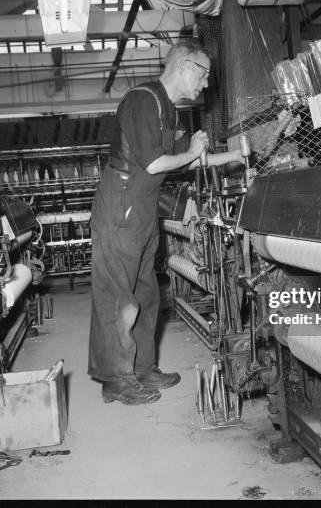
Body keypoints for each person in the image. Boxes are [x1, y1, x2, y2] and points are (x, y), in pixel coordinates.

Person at [88, 41, 244, 405]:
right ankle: (115, 378)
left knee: (146, 293)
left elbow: (187, 162)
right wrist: (193, 151)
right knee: (118, 298)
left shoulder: (170, 112)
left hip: (142, 210)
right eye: (203, 75)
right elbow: (156, 163)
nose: (205, 84)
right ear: (184, 66)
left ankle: (142, 369)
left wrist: (236, 155)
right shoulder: (143, 100)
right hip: (120, 207)